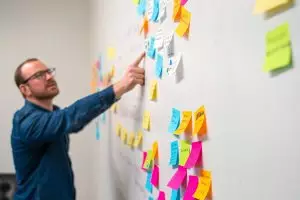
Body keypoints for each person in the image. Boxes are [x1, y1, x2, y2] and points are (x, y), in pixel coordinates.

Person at [11, 52, 146, 200]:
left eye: (48, 71)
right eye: (38, 75)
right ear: (25, 89)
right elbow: (71, 117)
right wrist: (119, 87)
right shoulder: (26, 121)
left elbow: (70, 117)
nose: (49, 77)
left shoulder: (53, 113)